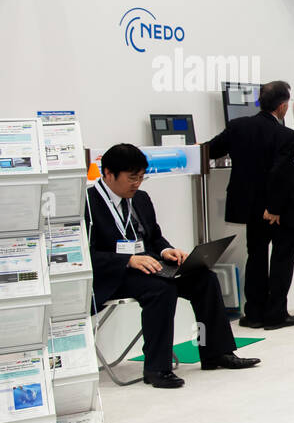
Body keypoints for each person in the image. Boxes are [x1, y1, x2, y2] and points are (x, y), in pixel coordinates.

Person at [85, 143, 260, 388]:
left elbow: (154, 237)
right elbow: (84, 254)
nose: (136, 184)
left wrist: (168, 251)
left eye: (141, 178)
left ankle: (216, 353)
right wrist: (127, 260)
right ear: (108, 174)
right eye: (131, 178)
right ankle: (157, 368)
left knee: (204, 278)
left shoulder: (140, 199)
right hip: (112, 274)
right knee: (161, 289)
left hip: (147, 266)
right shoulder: (88, 204)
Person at [205, 80, 294, 330]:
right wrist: (273, 208)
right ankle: (276, 314)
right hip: (280, 209)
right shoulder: (286, 135)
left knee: (256, 255)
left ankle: (253, 313)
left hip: (251, 207)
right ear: (283, 107)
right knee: (282, 258)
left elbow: (210, 150)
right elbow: (279, 172)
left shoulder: (238, 126)